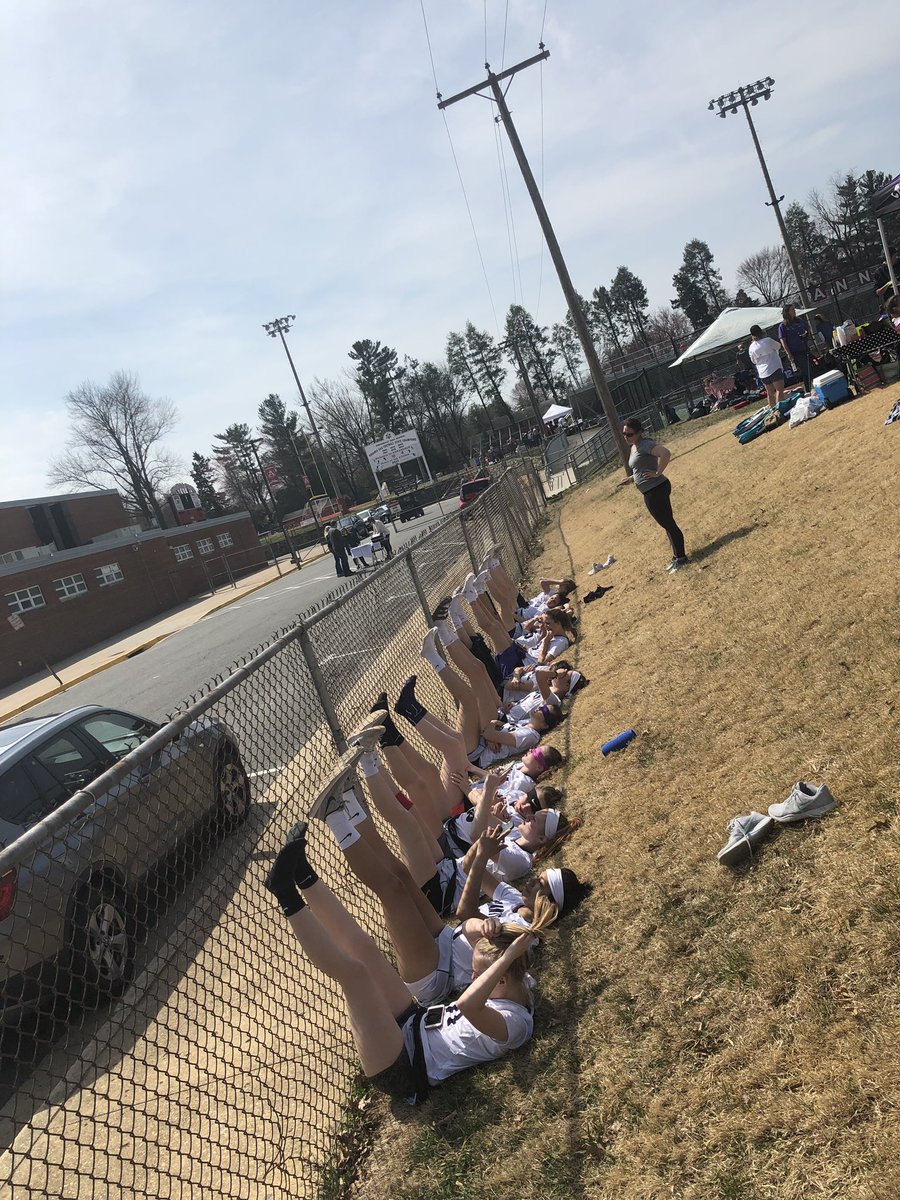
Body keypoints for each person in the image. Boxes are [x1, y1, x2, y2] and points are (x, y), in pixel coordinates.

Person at [263, 813, 535, 1107]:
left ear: (500, 977)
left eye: (477, 974)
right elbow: (498, 946)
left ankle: (285, 893)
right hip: (413, 1021)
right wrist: (495, 938)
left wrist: (504, 958)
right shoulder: (520, 984)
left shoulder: (516, 1025)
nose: (470, 979)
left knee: (355, 975)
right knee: (366, 950)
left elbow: (467, 1005)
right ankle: (303, 874)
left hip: (406, 1066)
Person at [622, 417, 687, 574]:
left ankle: (681, 558)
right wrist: (632, 479)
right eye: (624, 433)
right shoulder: (634, 446)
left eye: (629, 434)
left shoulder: (645, 444)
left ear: (638, 433)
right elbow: (641, 467)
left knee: (669, 524)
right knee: (666, 524)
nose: (626, 437)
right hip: (649, 491)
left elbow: (665, 453)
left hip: (656, 489)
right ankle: (676, 556)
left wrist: (658, 472)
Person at [748, 324, 786, 411]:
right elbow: (778, 346)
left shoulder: (751, 347)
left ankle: (773, 411)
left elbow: (753, 361)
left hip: (763, 373)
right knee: (779, 390)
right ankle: (780, 410)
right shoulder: (767, 341)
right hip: (774, 368)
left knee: (770, 393)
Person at [778, 305, 812, 392]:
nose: (794, 311)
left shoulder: (799, 321)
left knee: (810, 368)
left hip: (805, 348)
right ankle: (808, 390)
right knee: (805, 369)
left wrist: (806, 335)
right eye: (792, 309)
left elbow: (807, 328)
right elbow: (783, 341)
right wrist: (788, 353)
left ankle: (810, 388)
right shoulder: (783, 326)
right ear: (787, 312)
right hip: (795, 352)